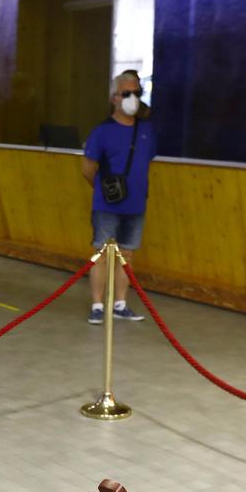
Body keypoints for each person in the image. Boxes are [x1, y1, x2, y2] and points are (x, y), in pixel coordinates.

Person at [80, 70, 156, 324]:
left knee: (128, 255)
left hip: (135, 205)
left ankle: (120, 303)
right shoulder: (102, 131)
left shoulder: (146, 130)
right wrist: (105, 190)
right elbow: (88, 169)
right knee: (100, 254)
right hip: (107, 205)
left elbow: (147, 163)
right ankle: (98, 305)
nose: (132, 98)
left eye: (137, 92)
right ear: (114, 98)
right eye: (127, 93)